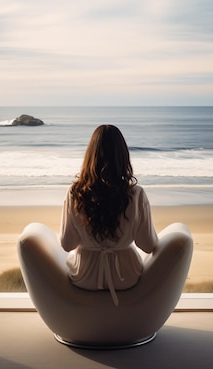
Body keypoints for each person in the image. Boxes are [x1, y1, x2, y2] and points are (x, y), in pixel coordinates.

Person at [60, 125, 158, 306]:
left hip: (84, 277)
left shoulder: (75, 193)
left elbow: (67, 244)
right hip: (125, 276)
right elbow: (148, 245)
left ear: (90, 156)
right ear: (123, 156)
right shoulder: (136, 194)